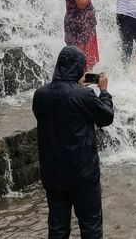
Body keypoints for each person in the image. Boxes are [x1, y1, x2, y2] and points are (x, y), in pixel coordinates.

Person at [33, 46, 113, 239]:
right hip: (83, 174)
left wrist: (76, 87)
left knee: (58, 228)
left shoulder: (40, 94)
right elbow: (106, 117)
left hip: (53, 174)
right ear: (78, 68)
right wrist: (104, 92)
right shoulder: (83, 95)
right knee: (91, 226)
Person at [64, 0, 100, 70]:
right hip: (77, 26)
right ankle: (79, 78)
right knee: (79, 54)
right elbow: (81, 4)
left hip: (85, 27)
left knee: (87, 55)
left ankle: (85, 76)